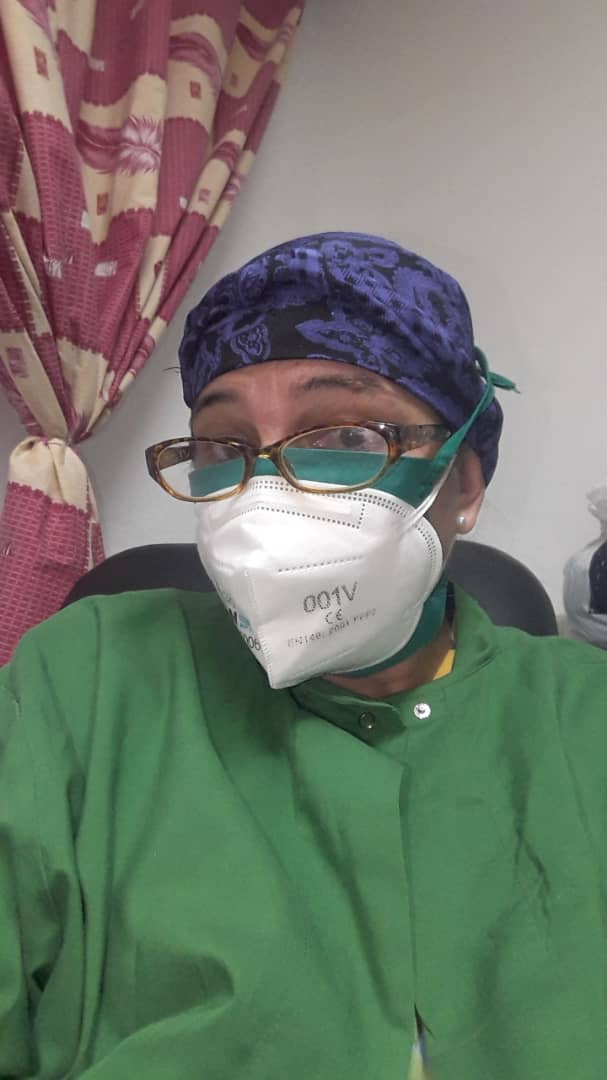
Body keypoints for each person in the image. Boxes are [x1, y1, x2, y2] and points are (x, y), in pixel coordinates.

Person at [1, 232, 606, 1080]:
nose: (265, 496)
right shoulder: (85, 679)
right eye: (222, 446)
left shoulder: (585, 715)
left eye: (346, 436)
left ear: (463, 486)